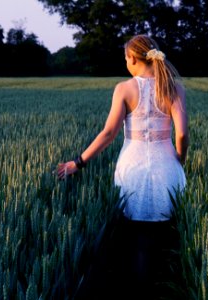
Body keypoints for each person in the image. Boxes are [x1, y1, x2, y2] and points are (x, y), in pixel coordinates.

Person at [56, 34, 188, 298]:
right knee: (164, 236)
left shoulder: (125, 89)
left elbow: (108, 133)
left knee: (136, 235)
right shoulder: (174, 87)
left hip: (133, 170)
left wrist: (77, 162)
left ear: (133, 59)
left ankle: (136, 290)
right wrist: (179, 163)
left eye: (125, 58)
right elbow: (182, 135)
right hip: (167, 169)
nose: (125, 63)